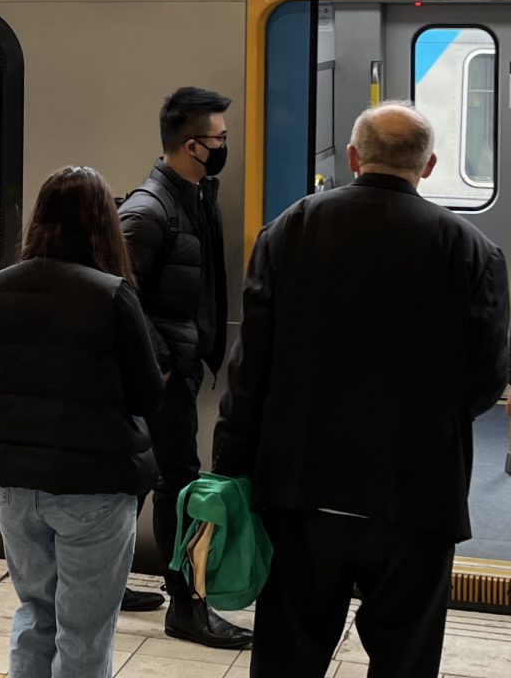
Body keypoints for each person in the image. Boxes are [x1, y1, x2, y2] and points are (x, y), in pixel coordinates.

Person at [213, 100, 510, 678]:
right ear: (428, 167)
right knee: (405, 658)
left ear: (352, 157)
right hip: (418, 496)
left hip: (301, 489)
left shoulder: (290, 229)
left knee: (290, 652)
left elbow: (250, 369)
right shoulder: (474, 250)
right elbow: (486, 380)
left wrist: (231, 463)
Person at [0, 166, 165, 678]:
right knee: (83, 630)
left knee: (35, 612)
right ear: (104, 222)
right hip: (92, 487)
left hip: (14, 484)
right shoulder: (110, 293)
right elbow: (148, 394)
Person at [118, 87, 253, 648]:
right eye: (220, 139)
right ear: (194, 146)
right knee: (177, 485)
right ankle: (186, 607)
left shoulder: (197, 196)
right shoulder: (148, 211)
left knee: (143, 482)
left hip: (176, 369)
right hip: (160, 378)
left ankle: (111, 578)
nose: (225, 147)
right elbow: (121, 295)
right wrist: (167, 363)